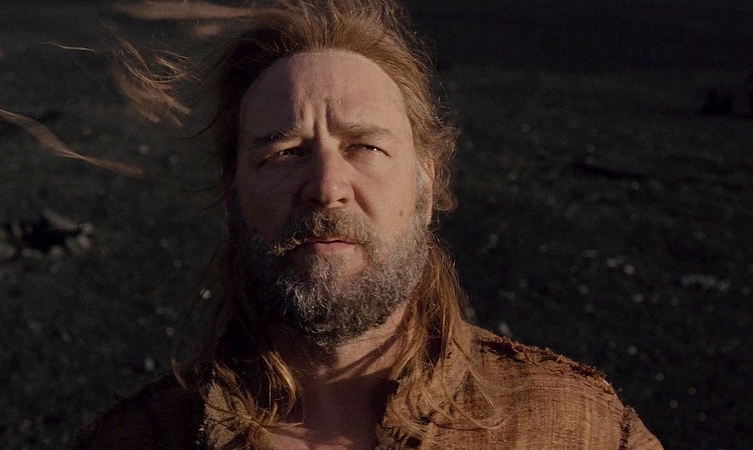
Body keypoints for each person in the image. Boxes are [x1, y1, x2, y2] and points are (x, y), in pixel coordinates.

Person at [74, 1, 663, 448]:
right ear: (233, 196)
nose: (327, 186)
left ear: (427, 187)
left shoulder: (578, 428)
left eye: (365, 147)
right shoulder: (140, 439)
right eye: (284, 152)